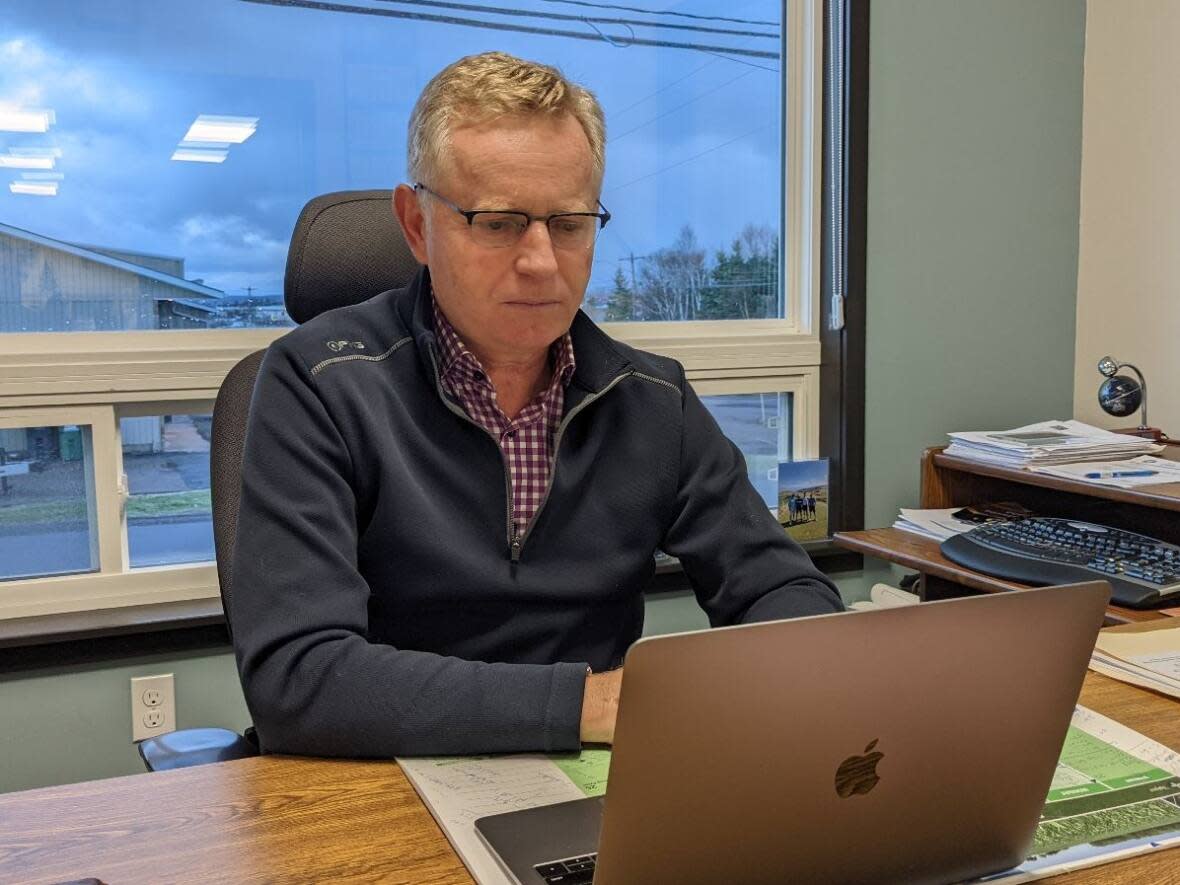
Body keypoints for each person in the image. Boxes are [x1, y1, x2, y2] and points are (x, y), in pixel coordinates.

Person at [230, 51, 843, 760]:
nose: (542, 261)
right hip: (381, 783)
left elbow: (788, 592)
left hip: (592, 785)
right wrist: (587, 704)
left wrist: (753, 678)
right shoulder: (319, 382)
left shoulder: (651, 399)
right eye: (498, 223)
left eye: (571, 223)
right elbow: (299, 679)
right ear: (417, 225)